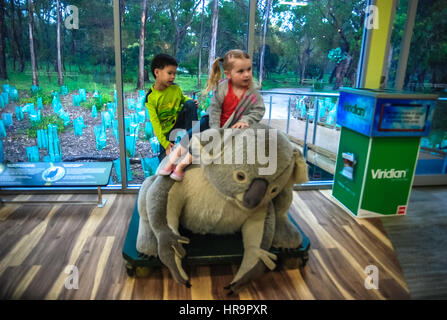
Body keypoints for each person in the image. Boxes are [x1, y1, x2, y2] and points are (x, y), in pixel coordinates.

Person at [159, 49, 265, 181]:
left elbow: (259, 109)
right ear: (228, 74)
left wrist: (246, 120)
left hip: (229, 129)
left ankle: (180, 167)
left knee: (200, 145)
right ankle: (170, 164)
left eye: (249, 70)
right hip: (211, 121)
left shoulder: (253, 94)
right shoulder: (222, 88)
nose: (247, 74)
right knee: (189, 136)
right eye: (241, 71)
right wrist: (215, 129)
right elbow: (214, 109)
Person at [145, 53, 198, 163]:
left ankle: (193, 140)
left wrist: (191, 102)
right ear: (157, 72)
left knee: (190, 104)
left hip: (178, 120)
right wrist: (165, 143)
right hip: (166, 130)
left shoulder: (175, 88)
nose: (173, 77)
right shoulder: (150, 98)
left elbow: (183, 98)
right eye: (170, 73)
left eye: (174, 73)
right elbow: (155, 124)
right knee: (165, 159)